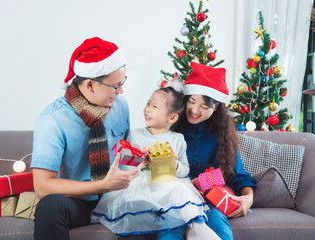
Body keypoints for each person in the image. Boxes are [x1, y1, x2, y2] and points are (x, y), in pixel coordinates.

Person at [30, 37, 142, 240]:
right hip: (81, 200)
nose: (122, 91)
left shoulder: (120, 106)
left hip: (117, 196)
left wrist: (140, 158)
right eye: (116, 86)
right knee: (50, 206)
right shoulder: (52, 120)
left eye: (122, 83)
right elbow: (42, 186)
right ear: (90, 85)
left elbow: (122, 154)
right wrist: (103, 185)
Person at [91, 85, 221, 240]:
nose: (148, 109)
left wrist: (175, 165)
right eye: (148, 104)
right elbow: (125, 166)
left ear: (172, 118)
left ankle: (196, 227)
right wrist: (143, 161)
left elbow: (185, 170)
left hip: (170, 185)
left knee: (180, 189)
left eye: (155, 107)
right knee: (174, 190)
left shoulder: (178, 139)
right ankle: (196, 227)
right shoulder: (135, 136)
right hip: (143, 187)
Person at [173, 62, 257, 240]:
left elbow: (239, 176)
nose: (194, 110)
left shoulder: (222, 135)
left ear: (217, 106)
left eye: (204, 106)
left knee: (216, 223)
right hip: (175, 201)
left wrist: (248, 199)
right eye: (192, 101)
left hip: (210, 204)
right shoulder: (171, 127)